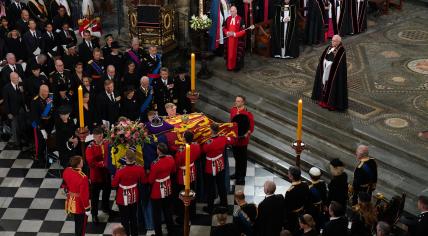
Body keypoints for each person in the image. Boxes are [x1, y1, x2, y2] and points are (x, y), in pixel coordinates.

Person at [112, 148, 147, 236]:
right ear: (134, 158)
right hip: (134, 195)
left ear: (126, 158)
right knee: (133, 217)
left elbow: (114, 184)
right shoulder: (139, 168)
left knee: (124, 219)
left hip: (122, 197)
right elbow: (143, 181)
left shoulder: (120, 170)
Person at [202, 123, 233, 213]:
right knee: (221, 186)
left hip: (210, 167)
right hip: (220, 164)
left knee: (210, 188)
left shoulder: (209, 142)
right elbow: (230, 140)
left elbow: (203, 150)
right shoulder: (223, 138)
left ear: (211, 131)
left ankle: (210, 207)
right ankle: (224, 204)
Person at [311, 35, 348, 111]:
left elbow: (339, 65)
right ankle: (323, 100)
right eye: (332, 40)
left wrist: (330, 65)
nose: (332, 42)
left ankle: (332, 103)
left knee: (332, 86)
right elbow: (323, 57)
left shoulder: (341, 51)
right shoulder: (329, 47)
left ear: (339, 42)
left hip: (334, 74)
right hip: (326, 69)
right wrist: (324, 63)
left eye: (334, 41)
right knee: (324, 84)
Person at [85, 127, 113, 223]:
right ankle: (94, 215)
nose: (100, 138)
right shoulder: (90, 147)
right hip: (96, 176)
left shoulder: (107, 143)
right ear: (94, 136)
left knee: (107, 193)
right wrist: (103, 163)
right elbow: (91, 162)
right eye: (98, 136)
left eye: (101, 135)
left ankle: (106, 208)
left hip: (106, 174)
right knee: (94, 197)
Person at [148, 143, 176, 236]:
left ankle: (158, 234)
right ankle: (171, 231)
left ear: (158, 151)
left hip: (157, 191)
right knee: (168, 211)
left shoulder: (155, 163)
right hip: (168, 187)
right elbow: (173, 171)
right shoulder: (171, 158)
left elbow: (151, 180)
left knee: (157, 215)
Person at [174, 131, 201, 222]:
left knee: (183, 195)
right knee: (192, 193)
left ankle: (183, 216)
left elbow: (177, 162)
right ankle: (192, 213)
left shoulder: (182, 150)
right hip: (192, 171)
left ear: (185, 139)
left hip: (183, 174)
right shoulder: (196, 146)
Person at [62, 156, 91, 236]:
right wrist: (87, 208)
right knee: (81, 226)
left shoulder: (67, 170)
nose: (83, 163)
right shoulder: (83, 177)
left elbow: (65, 183)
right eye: (81, 162)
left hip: (71, 200)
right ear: (78, 165)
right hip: (79, 204)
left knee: (77, 222)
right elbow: (84, 195)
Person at [230, 95, 254, 185]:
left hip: (243, 141)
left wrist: (244, 135)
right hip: (235, 139)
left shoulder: (248, 114)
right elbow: (231, 123)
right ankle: (236, 174)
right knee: (236, 158)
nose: (236, 102)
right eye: (236, 101)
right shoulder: (233, 110)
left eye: (239, 101)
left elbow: (251, 128)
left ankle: (242, 177)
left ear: (243, 102)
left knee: (242, 160)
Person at [2, 72, 27, 149]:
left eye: (18, 78)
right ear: (11, 79)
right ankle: (17, 143)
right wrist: (8, 113)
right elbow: (6, 102)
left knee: (22, 126)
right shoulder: (6, 88)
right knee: (15, 127)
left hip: (21, 109)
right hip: (13, 111)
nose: (17, 80)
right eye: (15, 78)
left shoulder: (20, 85)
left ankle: (23, 140)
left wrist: (22, 91)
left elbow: (23, 98)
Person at [30, 84, 54, 162]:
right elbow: (35, 116)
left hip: (48, 123)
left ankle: (46, 153)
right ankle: (39, 156)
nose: (48, 93)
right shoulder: (35, 101)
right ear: (41, 91)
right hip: (39, 124)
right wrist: (41, 128)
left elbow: (51, 110)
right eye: (46, 91)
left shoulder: (48, 98)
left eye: (48, 91)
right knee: (40, 142)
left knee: (47, 140)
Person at [284, 166, 310, 234]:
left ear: (292, 177)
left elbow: (287, 208)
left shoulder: (289, 192)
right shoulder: (305, 185)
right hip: (302, 211)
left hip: (293, 216)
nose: (287, 175)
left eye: (288, 174)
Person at [223, 6, 246, 71]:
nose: (232, 13)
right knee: (229, 54)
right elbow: (224, 28)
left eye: (233, 11)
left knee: (237, 54)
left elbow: (243, 31)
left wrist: (235, 34)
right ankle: (229, 66)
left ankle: (236, 67)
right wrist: (227, 32)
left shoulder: (241, 19)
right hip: (229, 40)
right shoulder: (228, 19)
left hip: (237, 40)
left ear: (236, 11)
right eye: (231, 11)